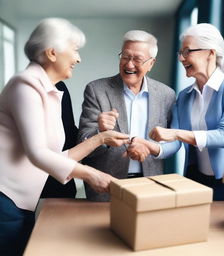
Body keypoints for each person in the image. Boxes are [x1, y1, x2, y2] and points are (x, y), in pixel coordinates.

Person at [0, 18, 129, 255]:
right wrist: (91, 174)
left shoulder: (51, 90)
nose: (78, 58)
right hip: (5, 200)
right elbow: (37, 154)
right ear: (52, 53)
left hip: (22, 203)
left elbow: (56, 157)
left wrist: (101, 138)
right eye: (75, 50)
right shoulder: (24, 86)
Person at [149, 23, 224, 201]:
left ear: (211, 52)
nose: (181, 58)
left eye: (187, 51)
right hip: (196, 179)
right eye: (181, 53)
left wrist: (176, 134)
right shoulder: (184, 96)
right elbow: (174, 142)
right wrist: (152, 148)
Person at [78, 30, 176, 202]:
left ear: (151, 63)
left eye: (137, 59)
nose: (129, 65)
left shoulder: (166, 95)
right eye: (125, 56)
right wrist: (100, 132)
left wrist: (151, 147)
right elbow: (81, 142)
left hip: (150, 185)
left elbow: (173, 142)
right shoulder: (96, 90)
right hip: (106, 185)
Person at [40, 81, 78, 198]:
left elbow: (69, 132)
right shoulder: (29, 88)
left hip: (61, 186)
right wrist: (89, 174)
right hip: (29, 189)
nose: (77, 61)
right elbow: (36, 151)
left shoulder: (60, 87)